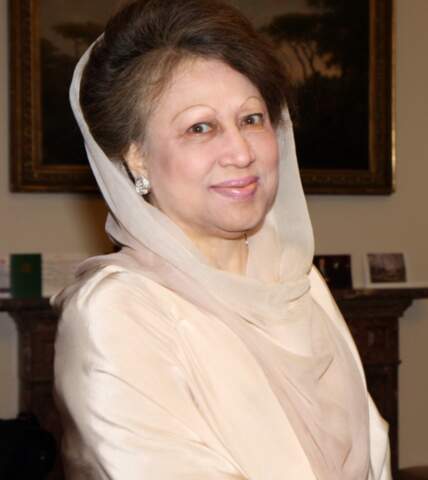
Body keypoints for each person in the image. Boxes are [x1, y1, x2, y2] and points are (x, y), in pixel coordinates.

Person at [53, 0, 391, 478]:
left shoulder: (298, 282)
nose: (240, 151)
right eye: (200, 127)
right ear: (136, 156)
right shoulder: (117, 312)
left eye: (252, 119)